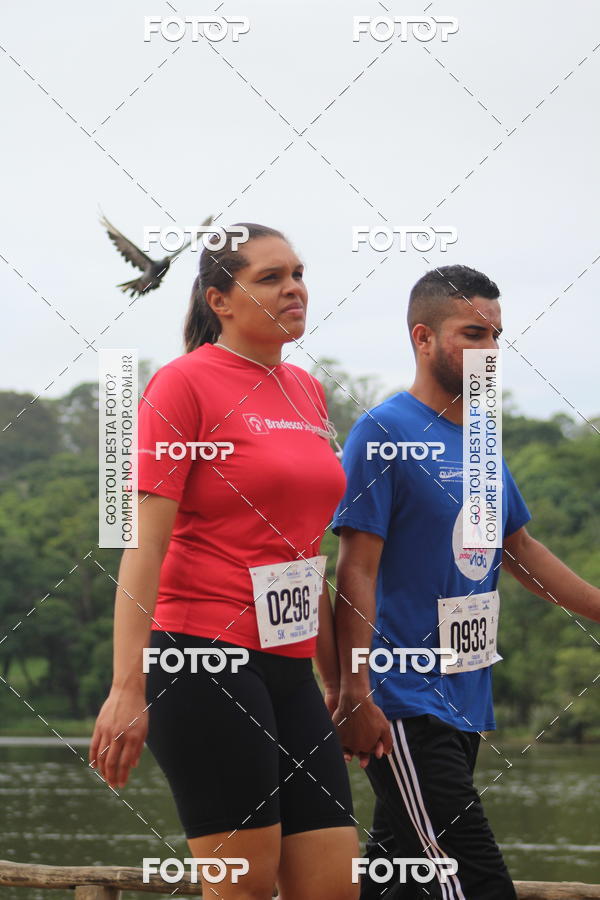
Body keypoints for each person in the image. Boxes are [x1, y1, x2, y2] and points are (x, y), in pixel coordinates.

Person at [89, 223, 360, 900]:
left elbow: (305, 554)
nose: (295, 288)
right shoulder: (183, 386)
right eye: (271, 278)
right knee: (242, 888)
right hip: (202, 655)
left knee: (331, 887)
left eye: (298, 273)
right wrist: (128, 685)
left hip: (291, 669)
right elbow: (141, 544)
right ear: (221, 300)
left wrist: (342, 683)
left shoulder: (306, 391)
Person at [331, 265, 600, 899]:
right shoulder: (383, 433)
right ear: (423, 338)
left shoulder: (482, 439)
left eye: (497, 336)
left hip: (464, 699)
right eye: (472, 333)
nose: (490, 351)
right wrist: (355, 690)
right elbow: (354, 571)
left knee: (398, 875)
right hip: (401, 698)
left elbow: (519, 550)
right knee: (477, 882)